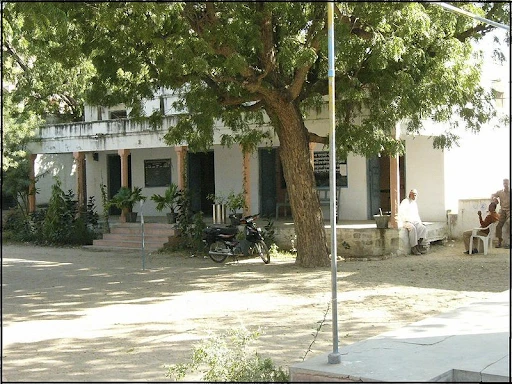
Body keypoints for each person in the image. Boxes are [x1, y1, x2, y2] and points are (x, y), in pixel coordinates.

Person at [398, 189, 427, 255]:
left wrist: (420, 222)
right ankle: (413, 247)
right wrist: (405, 221)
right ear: (410, 195)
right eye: (413, 195)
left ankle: (419, 245)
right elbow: (401, 213)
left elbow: (416, 215)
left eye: (415, 195)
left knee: (422, 228)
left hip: (414, 221)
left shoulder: (414, 204)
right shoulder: (405, 202)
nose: (414, 196)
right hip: (405, 221)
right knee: (412, 229)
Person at [491, 178, 510, 248]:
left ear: (509, 183)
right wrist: (494, 199)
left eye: (507, 183)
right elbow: (492, 195)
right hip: (502, 211)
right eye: (504, 183)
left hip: (509, 211)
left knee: (509, 223)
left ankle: (508, 242)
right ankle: (499, 241)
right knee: (498, 226)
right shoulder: (500, 192)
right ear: (503, 184)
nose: (505, 184)